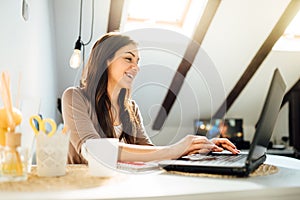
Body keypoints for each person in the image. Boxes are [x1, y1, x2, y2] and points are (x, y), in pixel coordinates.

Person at [62, 32, 239, 164]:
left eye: (137, 61)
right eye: (128, 59)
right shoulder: (75, 97)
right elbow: (92, 149)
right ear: (105, 60)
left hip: (114, 185)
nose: (136, 67)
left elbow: (149, 153)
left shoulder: (130, 108)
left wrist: (196, 148)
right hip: (82, 188)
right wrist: (176, 149)